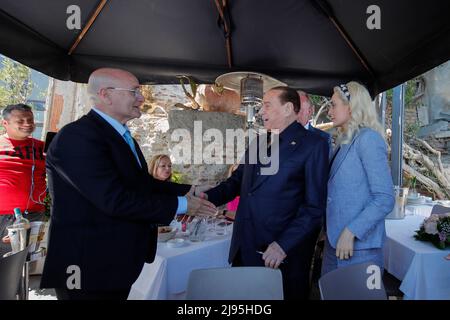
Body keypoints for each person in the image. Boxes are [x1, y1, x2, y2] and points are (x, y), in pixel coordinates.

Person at [40, 68, 217, 300]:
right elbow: (114, 199)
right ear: (106, 94)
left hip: (113, 263)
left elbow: (142, 184)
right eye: (134, 91)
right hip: (87, 267)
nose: (142, 98)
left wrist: (190, 190)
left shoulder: (122, 136)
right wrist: (183, 205)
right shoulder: (77, 137)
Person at [200, 86, 329, 299]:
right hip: (245, 247)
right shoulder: (258, 141)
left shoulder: (314, 145)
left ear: (288, 108)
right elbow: (237, 182)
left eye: (267, 106)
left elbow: (314, 207)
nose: (261, 112)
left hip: (280, 255)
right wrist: (208, 197)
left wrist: (283, 245)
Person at [321, 81, 395, 276]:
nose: (329, 111)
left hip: (358, 247)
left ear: (351, 106)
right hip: (332, 242)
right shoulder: (344, 140)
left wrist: (351, 231)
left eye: (334, 105)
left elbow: (385, 198)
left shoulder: (368, 139)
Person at [0, 104, 47, 253]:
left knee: (23, 265)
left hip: (33, 216)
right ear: (5, 123)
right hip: (2, 216)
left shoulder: (44, 148)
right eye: (20, 121)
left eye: (30, 120)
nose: (27, 124)